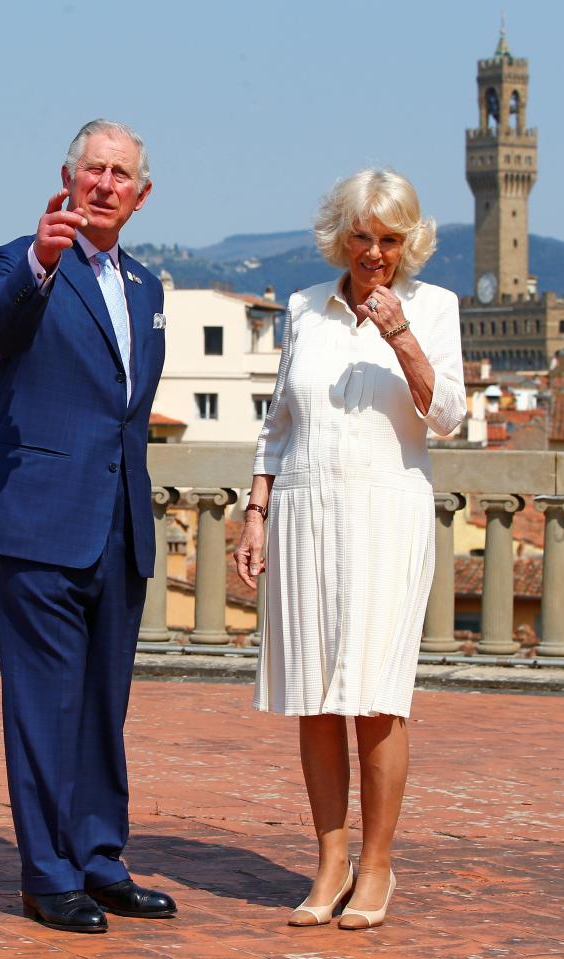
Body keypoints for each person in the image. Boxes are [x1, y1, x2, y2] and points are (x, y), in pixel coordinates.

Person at [234, 169, 465, 931]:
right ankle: (328, 859)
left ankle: (376, 864)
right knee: (313, 696)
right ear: (342, 234)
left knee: (374, 697)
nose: (374, 253)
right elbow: (277, 422)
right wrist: (256, 511)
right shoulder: (303, 307)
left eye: (389, 239)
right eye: (362, 237)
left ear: (410, 241)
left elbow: (449, 420)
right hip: (302, 508)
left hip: (385, 512)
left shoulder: (434, 307)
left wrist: (398, 333)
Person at [0, 119, 176, 934]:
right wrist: (41, 264)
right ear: (67, 176)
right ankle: (47, 874)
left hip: (117, 526)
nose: (106, 183)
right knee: (44, 705)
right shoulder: (20, 260)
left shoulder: (149, 288)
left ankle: (96, 857)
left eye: (122, 173)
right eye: (95, 168)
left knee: (100, 705)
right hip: (34, 522)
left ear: (140, 194)